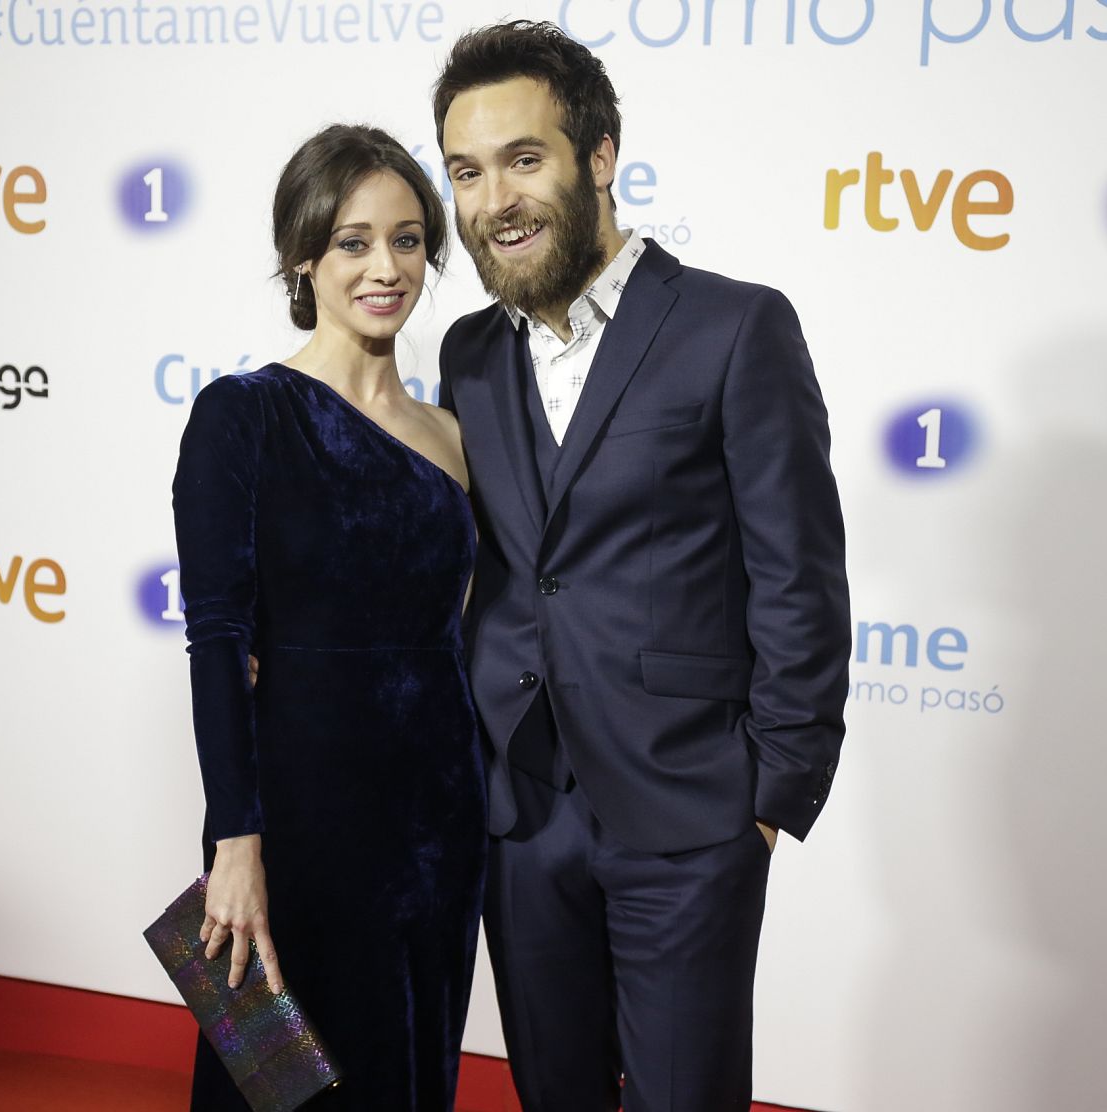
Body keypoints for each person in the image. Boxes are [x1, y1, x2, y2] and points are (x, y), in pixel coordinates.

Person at [432, 22, 851, 1111]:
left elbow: (799, 575)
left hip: (690, 809)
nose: (494, 201)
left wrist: (766, 797)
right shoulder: (467, 353)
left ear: (599, 154)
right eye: (466, 172)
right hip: (523, 811)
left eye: (523, 159)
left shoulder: (734, 326)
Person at [171, 123, 485, 1111]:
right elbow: (218, 640)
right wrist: (234, 841)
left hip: (437, 817)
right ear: (304, 256)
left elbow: (480, 627)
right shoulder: (244, 414)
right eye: (352, 241)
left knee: (404, 1074)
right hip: (292, 817)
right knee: (267, 1086)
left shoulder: (456, 436)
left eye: (405, 239)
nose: (383, 266)